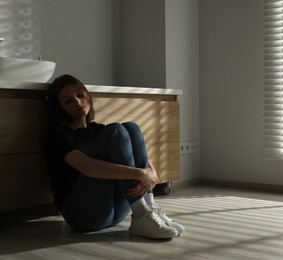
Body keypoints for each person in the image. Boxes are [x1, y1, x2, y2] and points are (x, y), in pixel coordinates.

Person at [44, 74, 184, 239]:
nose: (77, 102)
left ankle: (148, 210)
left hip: (115, 212)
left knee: (131, 127)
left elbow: (136, 154)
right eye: (68, 101)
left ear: (87, 96)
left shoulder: (97, 130)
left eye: (80, 95)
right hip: (83, 215)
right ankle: (141, 213)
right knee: (115, 130)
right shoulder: (58, 134)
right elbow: (88, 168)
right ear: (60, 108)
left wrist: (150, 173)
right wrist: (140, 174)